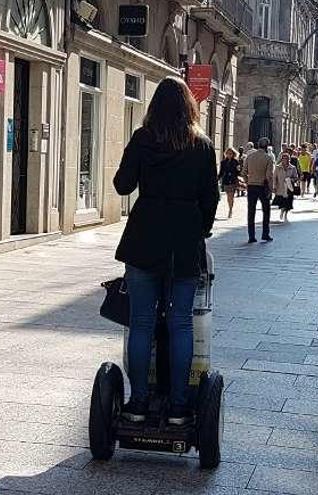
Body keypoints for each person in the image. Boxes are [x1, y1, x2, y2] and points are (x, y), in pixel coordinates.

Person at [113, 76, 219, 426]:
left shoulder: (143, 139)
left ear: (154, 107)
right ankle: (177, 406)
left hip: (145, 236)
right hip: (184, 242)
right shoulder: (202, 145)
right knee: (181, 323)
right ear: (189, 106)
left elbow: (122, 185)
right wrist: (198, 230)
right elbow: (210, 199)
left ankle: (139, 402)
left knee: (141, 322)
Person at [242, 137, 274, 243]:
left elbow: (243, 172)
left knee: (251, 211)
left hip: (251, 185)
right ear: (267, 146)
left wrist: (247, 181)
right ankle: (265, 234)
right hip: (263, 186)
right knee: (266, 211)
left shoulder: (249, 157)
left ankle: (251, 236)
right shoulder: (268, 158)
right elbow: (269, 176)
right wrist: (270, 189)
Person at [272, 152, 299, 223]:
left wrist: (291, 179)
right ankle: (282, 211)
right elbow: (274, 178)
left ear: (289, 159)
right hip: (280, 187)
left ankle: (285, 215)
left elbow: (296, 177)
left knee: (288, 202)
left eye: (287, 158)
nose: (285, 160)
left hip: (289, 188)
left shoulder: (293, 168)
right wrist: (274, 186)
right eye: (284, 158)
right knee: (282, 202)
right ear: (281, 159)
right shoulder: (278, 167)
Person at [219, 148, 241, 218]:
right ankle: (230, 206)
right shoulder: (223, 162)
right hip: (226, 180)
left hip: (233, 180)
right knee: (228, 196)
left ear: (233, 154)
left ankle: (230, 210)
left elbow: (238, 172)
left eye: (231, 153)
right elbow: (221, 172)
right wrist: (217, 178)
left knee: (231, 195)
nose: (229, 155)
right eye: (228, 153)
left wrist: (238, 171)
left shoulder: (236, 162)